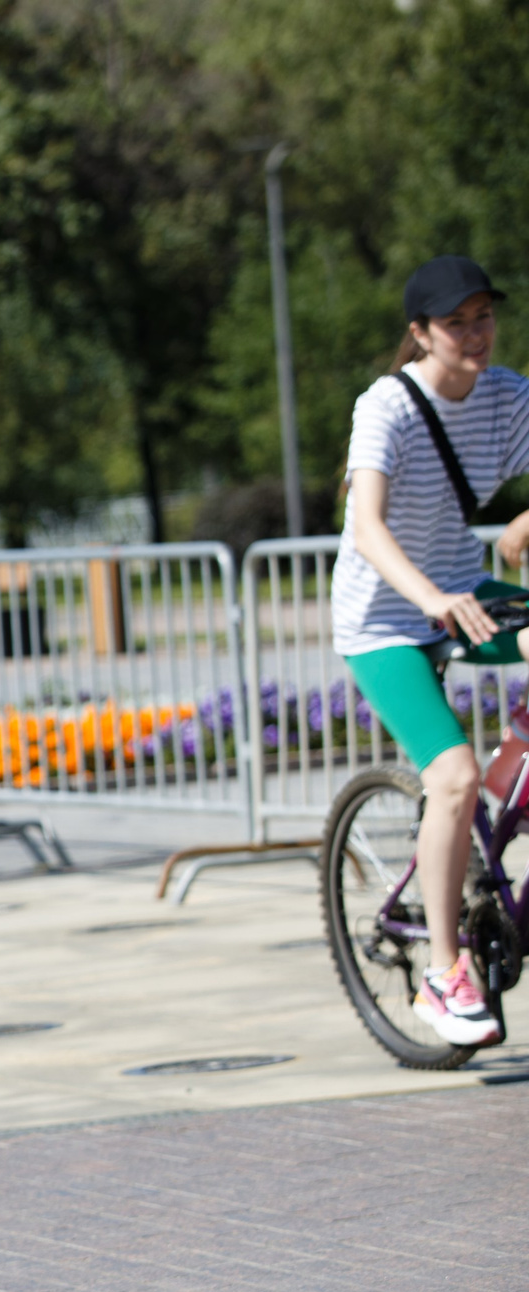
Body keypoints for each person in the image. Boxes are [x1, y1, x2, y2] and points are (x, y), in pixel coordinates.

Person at [334, 254, 529, 1046]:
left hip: (460, 593)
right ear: (420, 334)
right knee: (448, 777)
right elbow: (367, 526)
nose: (475, 334)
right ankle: (443, 973)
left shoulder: (507, 393)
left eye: (484, 317)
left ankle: (510, 771)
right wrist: (429, 599)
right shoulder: (387, 407)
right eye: (457, 323)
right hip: (385, 619)